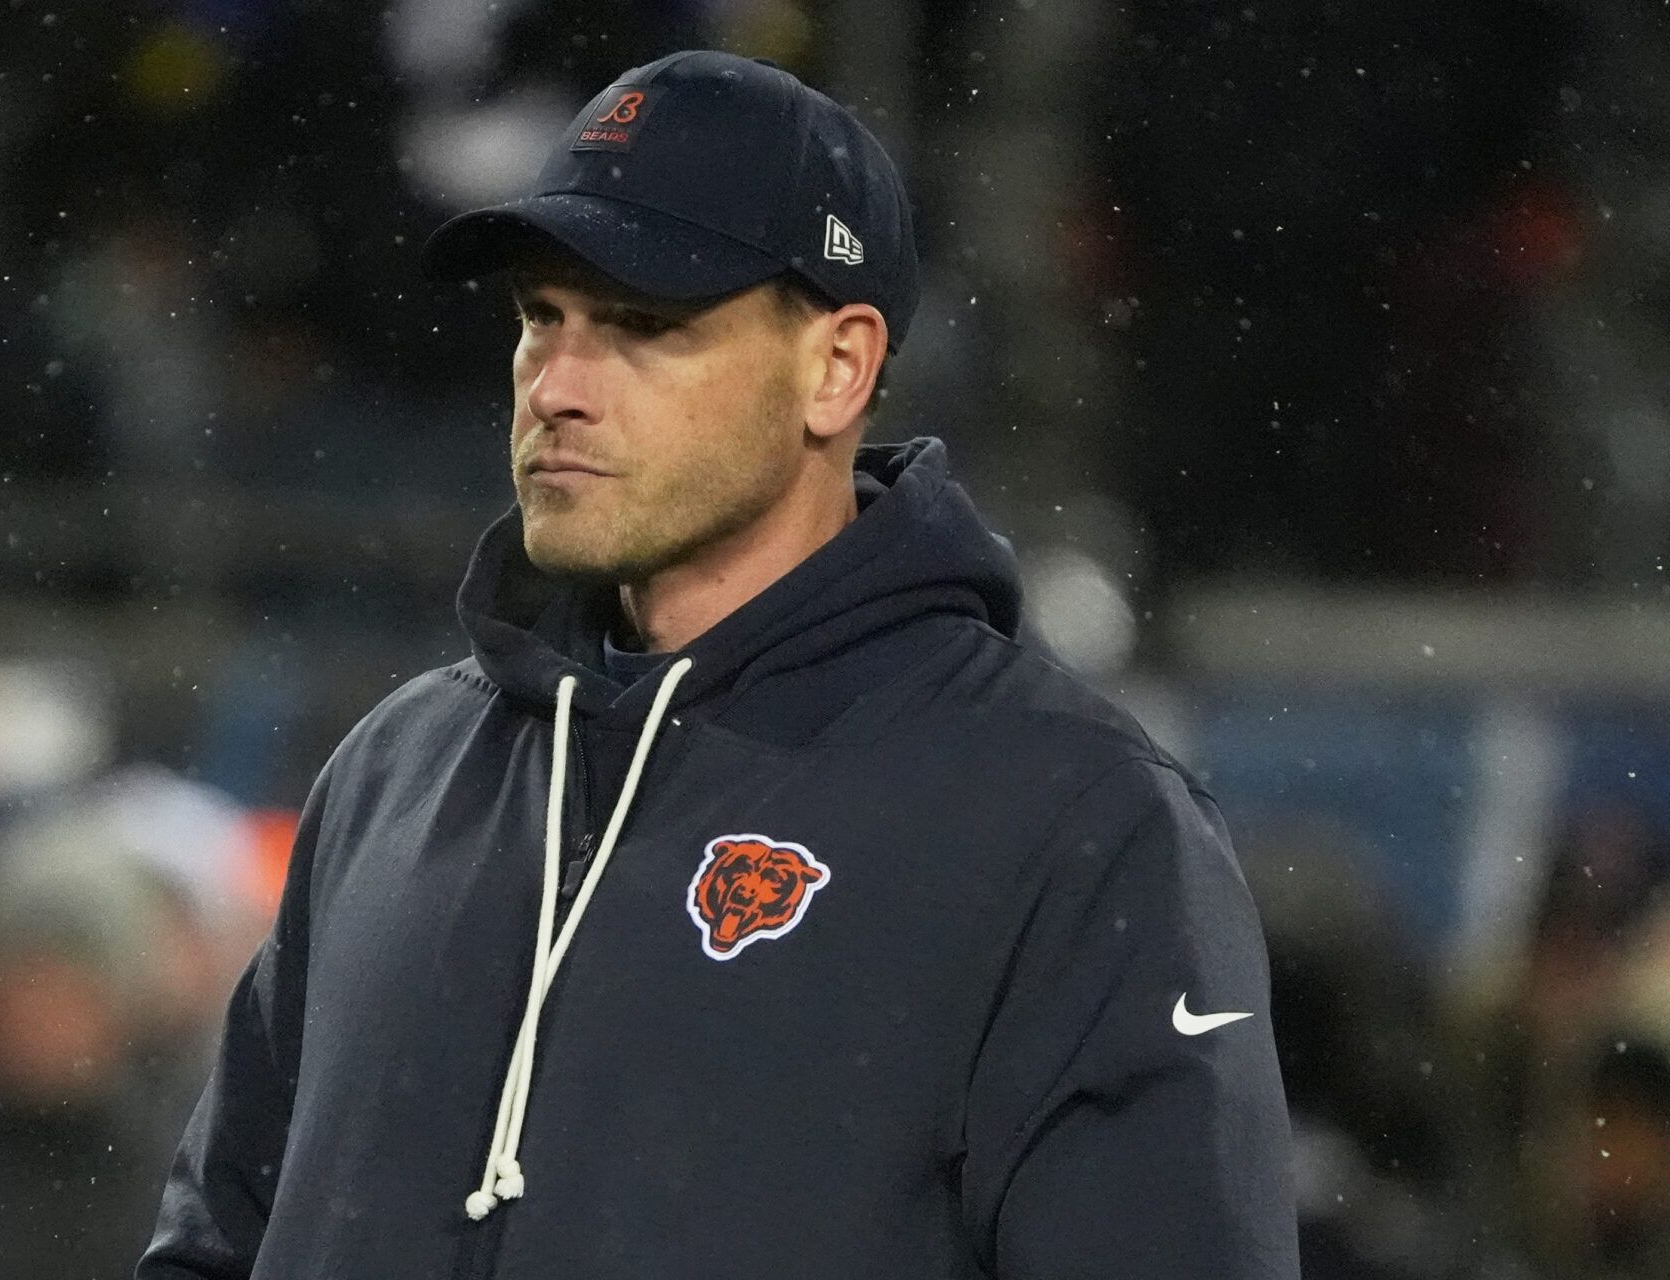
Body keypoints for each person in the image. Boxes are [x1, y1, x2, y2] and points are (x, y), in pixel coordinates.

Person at [137, 50, 1298, 1279]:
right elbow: (216, 1243)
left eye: (642, 325)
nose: (559, 387)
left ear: (838, 366)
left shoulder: (1070, 817)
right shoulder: (396, 772)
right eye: (541, 318)